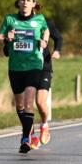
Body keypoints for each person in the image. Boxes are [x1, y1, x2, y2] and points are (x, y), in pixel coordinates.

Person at [0, 0, 50, 154]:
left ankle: (26, 137)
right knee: (19, 104)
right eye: (23, 0)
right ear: (18, 3)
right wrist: (7, 37)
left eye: (28, 0)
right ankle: (29, 129)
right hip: (15, 67)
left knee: (29, 102)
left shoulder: (39, 19)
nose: (25, 2)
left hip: (34, 65)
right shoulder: (10, 19)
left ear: (34, 3)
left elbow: (46, 30)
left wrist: (45, 41)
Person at [32, 12, 62, 148]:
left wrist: (57, 50)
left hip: (44, 66)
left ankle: (44, 125)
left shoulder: (45, 21)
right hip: (24, 67)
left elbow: (58, 38)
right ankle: (30, 135)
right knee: (23, 106)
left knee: (39, 101)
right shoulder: (17, 23)